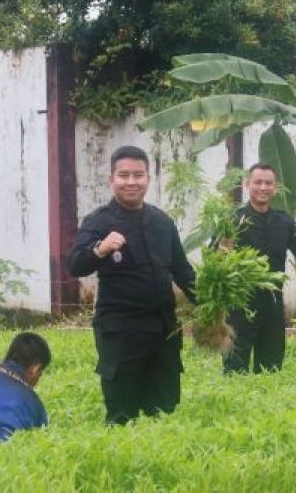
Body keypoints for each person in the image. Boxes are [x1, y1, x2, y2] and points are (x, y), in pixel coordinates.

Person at [68, 145, 196, 425]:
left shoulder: (162, 222)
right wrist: (100, 249)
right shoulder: (98, 222)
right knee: (122, 411)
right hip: (121, 332)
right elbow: (75, 264)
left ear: (148, 179)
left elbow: (182, 272)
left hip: (164, 330)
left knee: (164, 409)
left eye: (138, 175)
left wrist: (211, 303)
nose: (131, 182)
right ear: (111, 179)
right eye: (123, 175)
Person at [222, 162, 296, 373]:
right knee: (235, 367)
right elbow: (216, 259)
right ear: (247, 185)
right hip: (241, 304)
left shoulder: (285, 221)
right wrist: (223, 249)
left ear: (275, 188)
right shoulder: (233, 220)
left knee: (270, 368)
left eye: (268, 183)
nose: (263, 187)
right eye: (258, 182)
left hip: (273, 303)